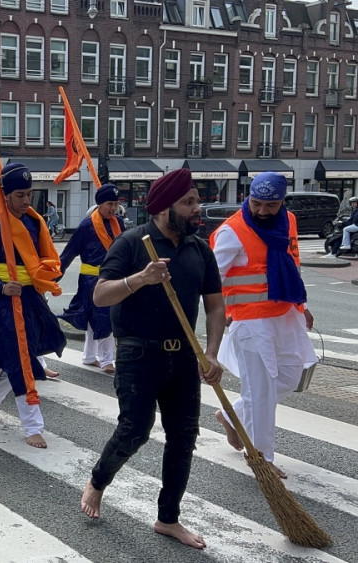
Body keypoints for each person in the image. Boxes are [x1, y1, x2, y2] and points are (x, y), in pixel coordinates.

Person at [80, 168, 225, 550]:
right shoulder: (131, 244)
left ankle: (168, 518)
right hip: (138, 353)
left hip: (184, 359)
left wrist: (210, 353)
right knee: (135, 429)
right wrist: (140, 279)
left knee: (184, 438)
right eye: (189, 202)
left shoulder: (199, 249)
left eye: (196, 200)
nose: (198, 209)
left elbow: (214, 307)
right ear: (164, 207)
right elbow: (101, 295)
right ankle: (97, 483)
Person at [211, 172, 317, 480]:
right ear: (248, 197)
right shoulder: (233, 230)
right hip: (250, 318)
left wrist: (303, 305)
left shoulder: (289, 221)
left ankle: (235, 417)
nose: (261, 211)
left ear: (282, 202)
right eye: (256, 203)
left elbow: (292, 264)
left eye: (269, 206)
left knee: (289, 375)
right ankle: (261, 458)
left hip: (285, 311)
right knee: (260, 387)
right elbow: (211, 278)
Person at [0, 163, 66, 449]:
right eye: (20, 196)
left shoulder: (36, 222)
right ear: (5, 196)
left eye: (29, 194)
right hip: (5, 302)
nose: (26, 201)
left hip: (31, 298)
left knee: (23, 354)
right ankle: (33, 426)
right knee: (21, 359)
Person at [59, 184, 126, 375]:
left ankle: (89, 356)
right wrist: (54, 276)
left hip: (113, 277)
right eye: (109, 204)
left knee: (95, 317)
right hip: (91, 279)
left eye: (115, 204)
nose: (113, 208)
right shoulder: (86, 226)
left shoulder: (118, 223)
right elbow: (69, 253)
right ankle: (106, 360)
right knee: (104, 316)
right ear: (99, 204)